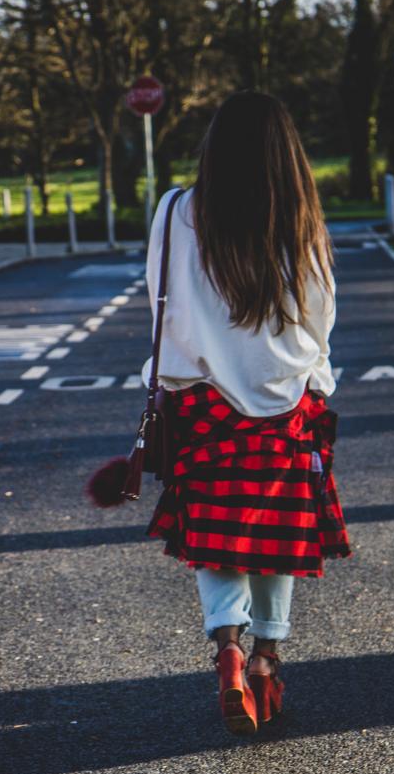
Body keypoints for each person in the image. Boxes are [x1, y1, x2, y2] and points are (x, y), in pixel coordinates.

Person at [143, 90, 350, 735]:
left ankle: (226, 645)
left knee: (219, 538)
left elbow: (161, 302)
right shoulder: (300, 218)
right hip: (285, 402)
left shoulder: (177, 210)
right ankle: (265, 660)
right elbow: (320, 320)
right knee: (275, 540)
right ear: (284, 153)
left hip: (201, 403)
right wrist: (312, 381)